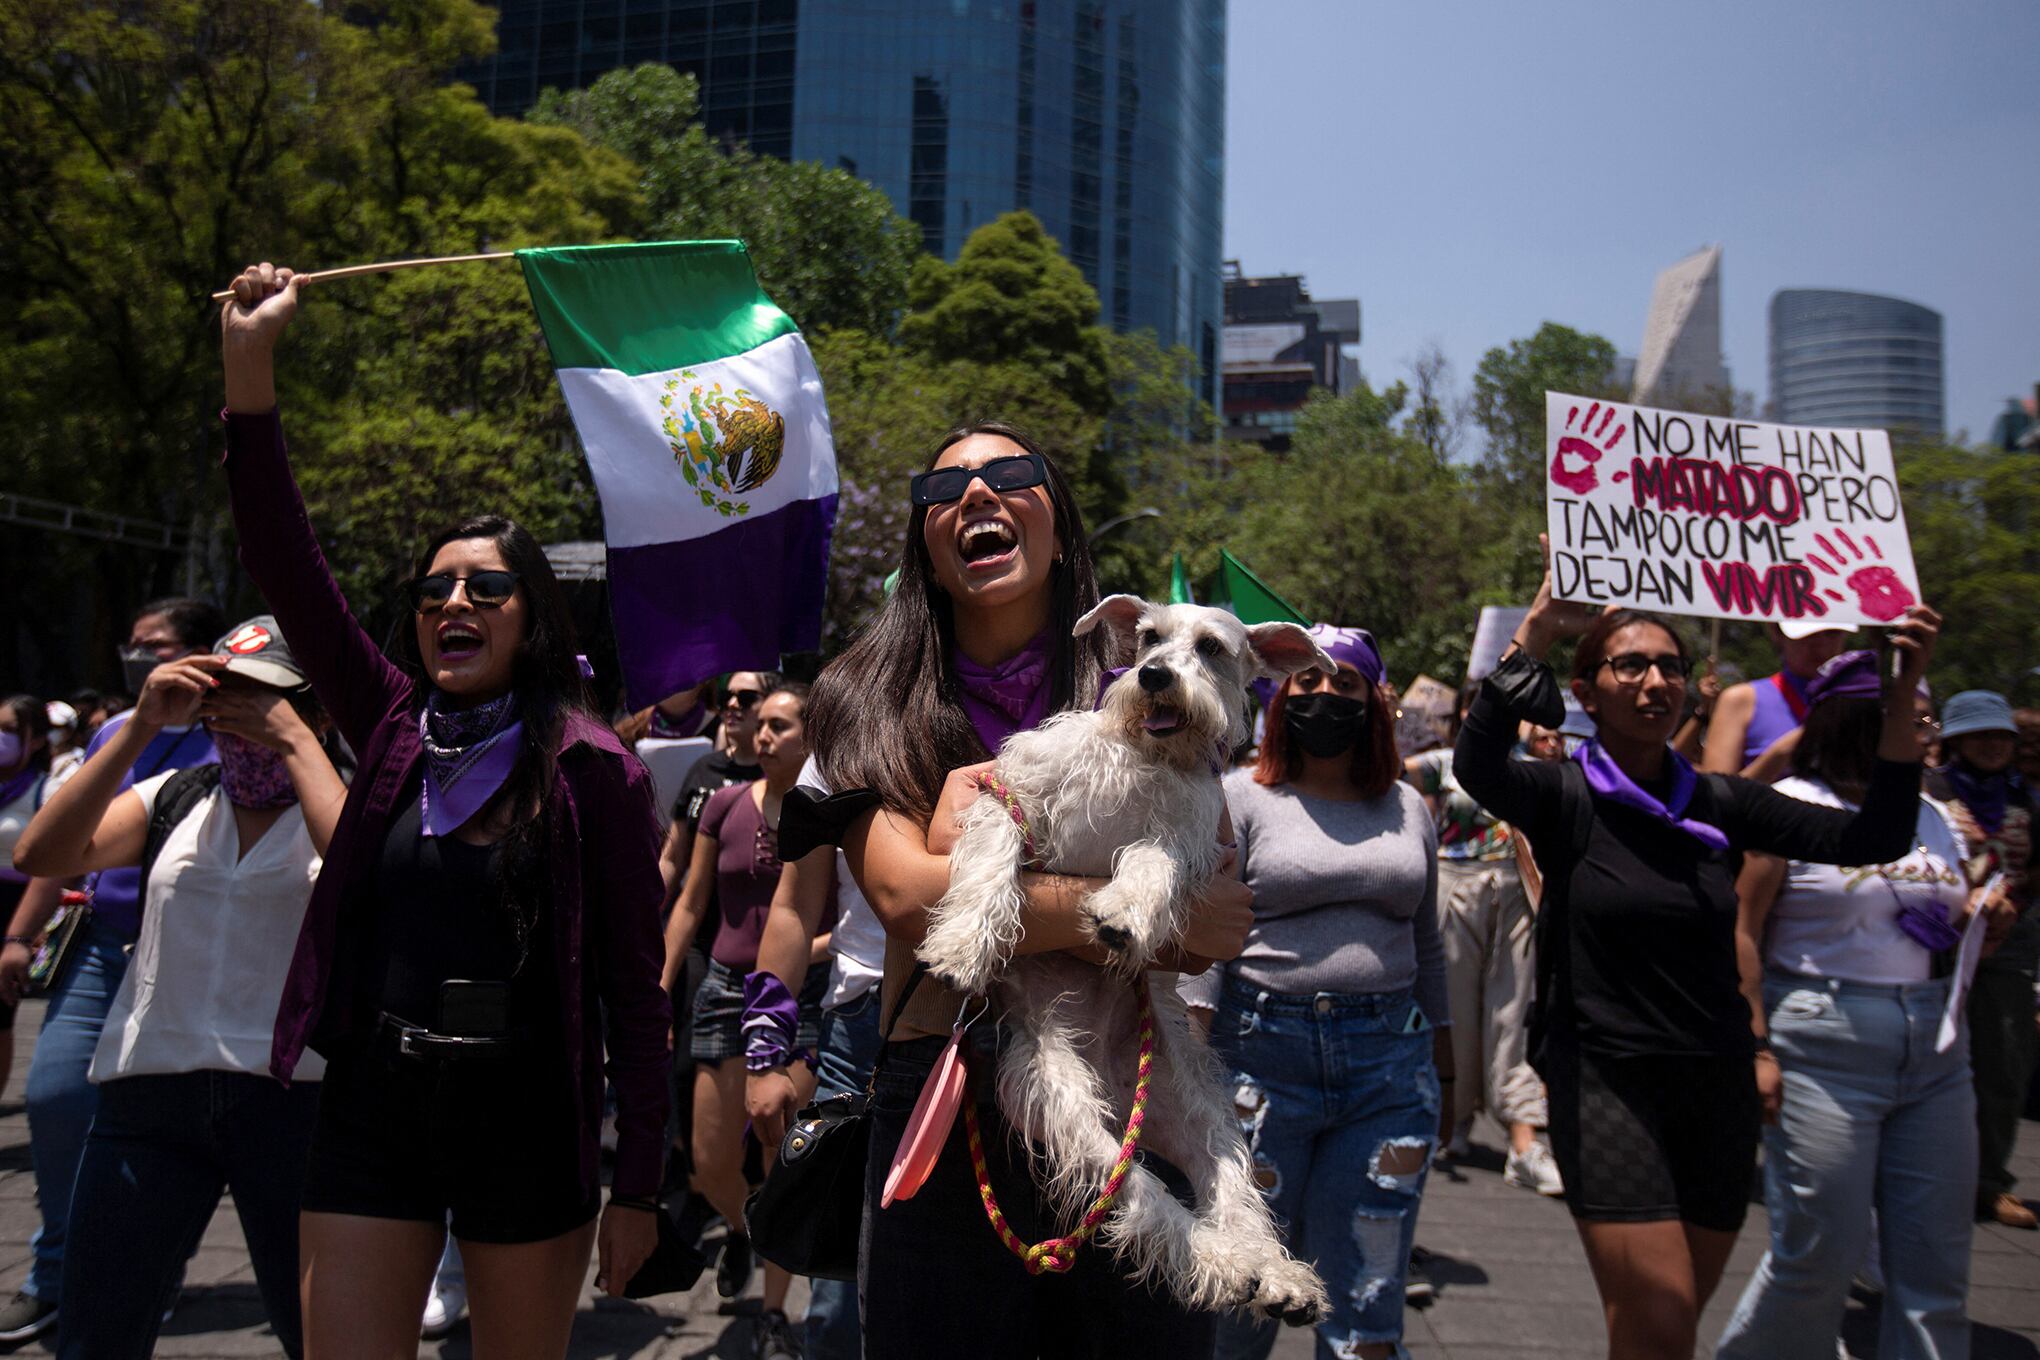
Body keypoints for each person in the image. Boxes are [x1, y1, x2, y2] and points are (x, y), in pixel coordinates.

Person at [218, 262, 668, 1357]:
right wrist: (250, 362)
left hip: (528, 1116)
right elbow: (286, 557)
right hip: (375, 1103)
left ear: (530, 616)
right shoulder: (385, 722)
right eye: (433, 592)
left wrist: (639, 1186)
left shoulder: (593, 767)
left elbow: (633, 993)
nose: (453, 604)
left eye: (484, 588)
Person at [797, 421, 1253, 1357]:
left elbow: (1219, 920)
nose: (976, 495)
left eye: (1010, 474)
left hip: (1129, 1083)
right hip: (945, 1092)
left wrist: (1008, 882)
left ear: (1059, 521)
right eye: (944, 487)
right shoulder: (861, 694)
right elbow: (910, 904)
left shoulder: (1147, 669)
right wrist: (1124, 910)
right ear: (923, 537)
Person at [1453, 541, 1937, 1360]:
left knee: (1652, 1335)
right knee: (1667, 1316)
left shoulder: (1725, 801)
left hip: (1717, 1089)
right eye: (1630, 666)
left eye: (1670, 668)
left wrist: (1898, 701)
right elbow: (1477, 763)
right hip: (1605, 1080)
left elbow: (1878, 835)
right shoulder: (1561, 794)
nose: (1654, 682)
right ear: (1586, 693)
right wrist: (1538, 627)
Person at [12, 618, 345, 1359]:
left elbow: (372, 882)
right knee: (98, 1333)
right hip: (151, 1095)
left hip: (294, 1103)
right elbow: (44, 853)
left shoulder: (344, 808)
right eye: (225, 695)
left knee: (322, 1337)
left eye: (266, 699)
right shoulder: (176, 795)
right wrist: (137, 733)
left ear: (314, 710)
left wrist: (297, 746)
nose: (240, 716)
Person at [1716, 652, 2006, 1359]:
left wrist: (1979, 923)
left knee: (1935, 1268)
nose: (1926, 731)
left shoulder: (1934, 815)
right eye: (1911, 712)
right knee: (1820, 1256)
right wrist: (1756, 1046)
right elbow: (1741, 930)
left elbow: (1930, 921)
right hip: (1821, 1047)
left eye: (1926, 714)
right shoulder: (1792, 805)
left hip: (1935, 1050)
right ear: (1857, 719)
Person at [1179, 624, 1448, 1360]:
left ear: (1376, 703)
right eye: (1310, 682)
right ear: (1280, 699)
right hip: (1259, 1065)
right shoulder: (1239, 797)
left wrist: (1449, 1069)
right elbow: (1206, 941)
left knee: (1368, 1291)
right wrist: (1194, 1068)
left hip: (1391, 1068)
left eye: (1348, 683)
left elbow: (1427, 940)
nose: (1327, 695)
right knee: (1243, 1289)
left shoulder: (1409, 807)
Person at [0, 598, 223, 1345]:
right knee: (57, 1092)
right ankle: (53, 1275)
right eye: (131, 647)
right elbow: (62, 843)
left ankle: (148, 1268)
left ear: (202, 653)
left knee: (178, 1128)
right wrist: (19, 935)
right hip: (100, 945)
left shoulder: (234, 736)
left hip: (190, 948)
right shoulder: (120, 735)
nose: (137, 658)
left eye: (153, 646)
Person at [659, 682, 829, 1359]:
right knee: (708, 1160)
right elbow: (691, 904)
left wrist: (792, 958)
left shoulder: (827, 814)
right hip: (727, 989)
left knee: (781, 1153)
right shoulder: (725, 804)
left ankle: (773, 1310)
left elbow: (843, 922)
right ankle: (745, 1229)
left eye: (781, 725)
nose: (764, 735)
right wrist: (659, 985)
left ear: (811, 737)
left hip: (803, 994)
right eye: (761, 725)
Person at [1404, 681, 1558, 1196]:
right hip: (1455, 888)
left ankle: (1524, 1137)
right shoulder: (1444, 763)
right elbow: (1383, 770)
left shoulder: (1535, 765)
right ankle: (1457, 1115)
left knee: (1513, 1009)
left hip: (1517, 890)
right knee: (1455, 1010)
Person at [745, 820, 888, 1359]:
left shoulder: (1020, 733)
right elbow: (794, 907)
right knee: (839, 1276)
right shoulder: (841, 743)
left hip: (1003, 1015)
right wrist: (764, 1054)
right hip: (861, 1025)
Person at [1927, 689, 2039, 1230]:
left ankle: (1989, 1182)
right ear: (1955, 740)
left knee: (2004, 1063)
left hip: (2009, 946)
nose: (1993, 746)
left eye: (2001, 736)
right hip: (1936, 941)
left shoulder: (2027, 798)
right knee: (1930, 1057)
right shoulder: (1928, 791)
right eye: (1980, 735)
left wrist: (2017, 904)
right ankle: (1923, 1174)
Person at [1702, 621, 1852, 778]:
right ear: (1776, 632)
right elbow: (1716, 797)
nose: (1821, 644)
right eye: (1807, 634)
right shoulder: (1742, 700)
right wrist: (1784, 752)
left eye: (1833, 632)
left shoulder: (1863, 703)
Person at [0, 695, 54, 1107]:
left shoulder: (46, 788)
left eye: (10, 730)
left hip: (13, 905)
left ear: (35, 739)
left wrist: (24, 935)